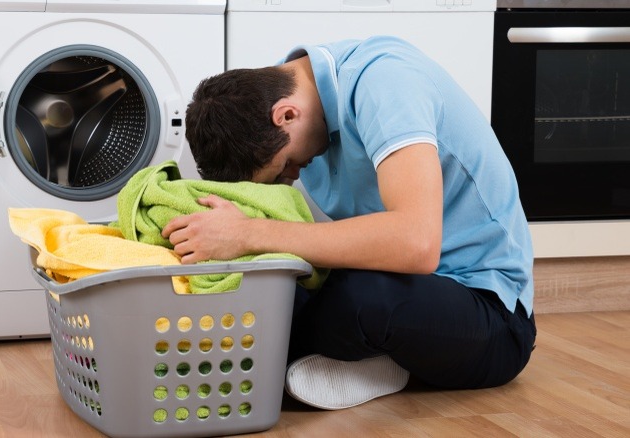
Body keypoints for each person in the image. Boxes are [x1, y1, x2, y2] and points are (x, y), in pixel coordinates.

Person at [161, 36, 537, 410]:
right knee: (270, 294)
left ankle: (349, 365)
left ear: (287, 116)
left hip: (491, 316)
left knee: (361, 298)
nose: (290, 177)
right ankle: (356, 365)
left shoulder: (386, 84)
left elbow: (417, 244)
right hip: (398, 288)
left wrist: (248, 233)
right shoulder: (266, 107)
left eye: (282, 167)